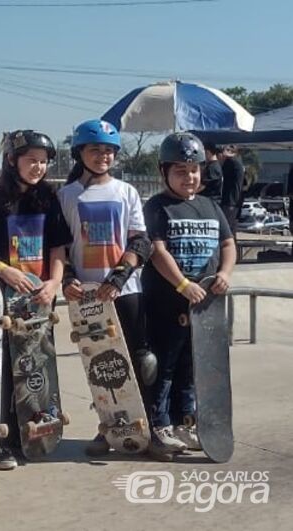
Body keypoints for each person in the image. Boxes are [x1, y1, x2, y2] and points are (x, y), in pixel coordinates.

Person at [0, 130, 72, 469]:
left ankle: (32, 433)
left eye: (42, 161)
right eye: (31, 160)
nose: (37, 167)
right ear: (13, 161)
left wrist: (54, 282)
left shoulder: (49, 198)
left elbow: (58, 247)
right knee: (2, 371)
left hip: (38, 299)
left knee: (35, 366)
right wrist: (4, 271)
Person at [57, 119, 155, 457]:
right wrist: (68, 279)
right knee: (99, 365)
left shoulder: (126, 192)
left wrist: (117, 278)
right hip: (86, 296)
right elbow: (59, 246)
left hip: (125, 291)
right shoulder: (67, 195)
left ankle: (150, 426)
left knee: (141, 361)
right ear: (79, 153)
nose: (103, 156)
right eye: (95, 149)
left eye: (109, 150)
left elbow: (140, 242)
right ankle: (108, 426)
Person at [142, 132, 236, 459]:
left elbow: (227, 244)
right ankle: (159, 427)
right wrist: (182, 284)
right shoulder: (157, 206)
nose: (189, 177)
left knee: (193, 367)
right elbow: (157, 250)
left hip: (203, 308)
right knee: (162, 367)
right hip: (166, 303)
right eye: (180, 170)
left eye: (194, 169)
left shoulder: (210, 206)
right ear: (164, 172)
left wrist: (224, 274)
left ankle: (186, 422)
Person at [219, 144, 245, 234]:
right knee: (232, 229)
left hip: (229, 200)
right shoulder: (239, 163)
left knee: (225, 228)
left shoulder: (231, 162)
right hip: (236, 200)